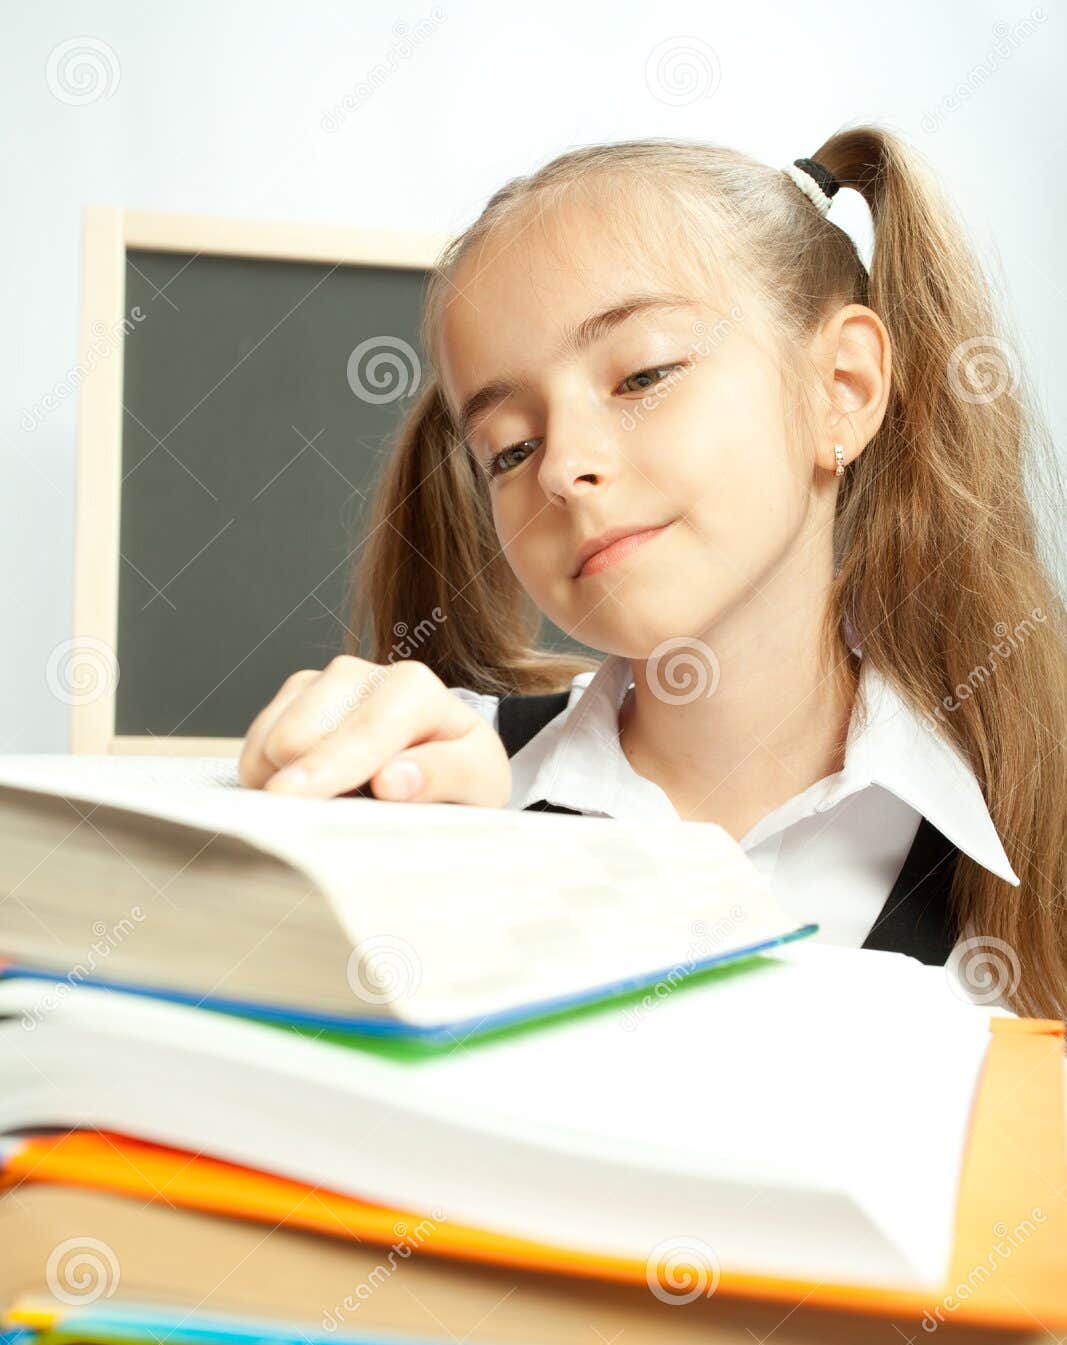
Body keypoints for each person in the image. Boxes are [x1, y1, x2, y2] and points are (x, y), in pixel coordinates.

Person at [238, 128, 1067, 1021]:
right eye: (510, 448)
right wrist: (358, 857)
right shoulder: (445, 791)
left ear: (843, 386)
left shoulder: (1032, 813)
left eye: (641, 376)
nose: (561, 469)